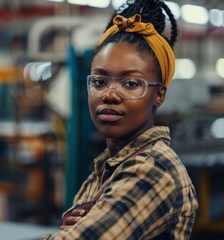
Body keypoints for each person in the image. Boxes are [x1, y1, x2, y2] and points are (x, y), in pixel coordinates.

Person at [41, 0, 198, 239]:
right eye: (100, 81)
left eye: (131, 83)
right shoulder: (104, 170)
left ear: (159, 95)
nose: (110, 95)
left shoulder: (153, 169)